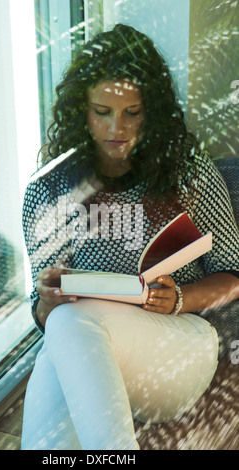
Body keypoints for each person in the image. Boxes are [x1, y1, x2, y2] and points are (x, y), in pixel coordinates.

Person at [20, 24, 239, 450]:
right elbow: (47, 319)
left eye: (132, 113)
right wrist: (46, 302)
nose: (116, 127)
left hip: (179, 350)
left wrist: (179, 299)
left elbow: (233, 274)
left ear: (151, 112)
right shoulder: (49, 190)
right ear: (80, 111)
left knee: (64, 337)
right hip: (87, 347)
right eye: (101, 111)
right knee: (64, 327)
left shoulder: (187, 173)